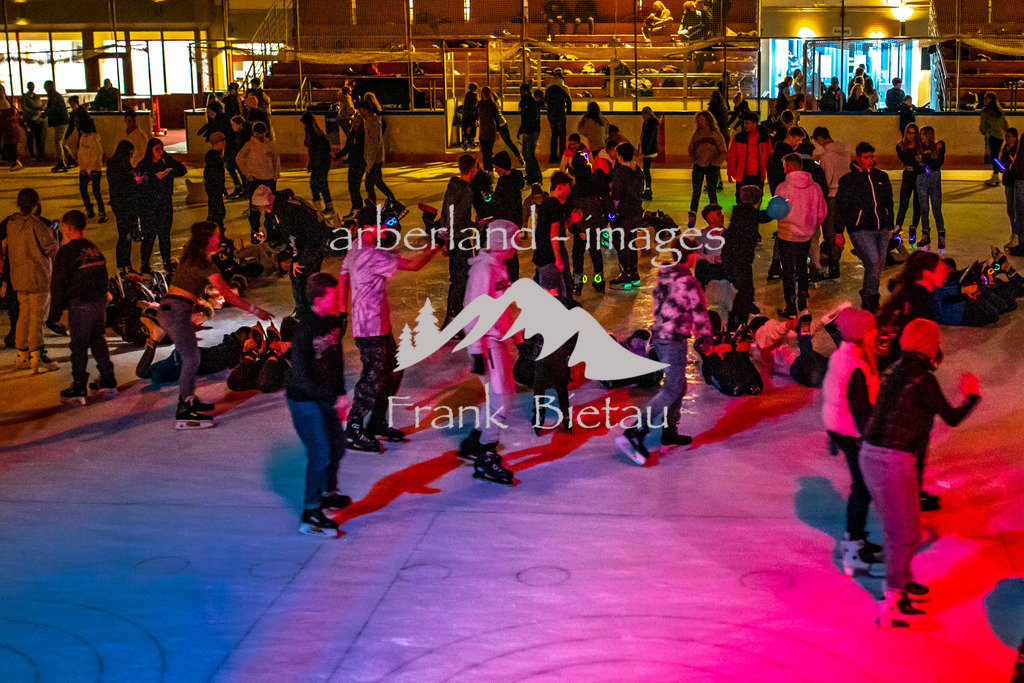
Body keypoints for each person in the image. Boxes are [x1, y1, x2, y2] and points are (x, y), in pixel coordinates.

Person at [861, 318, 980, 627]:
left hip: (876, 456)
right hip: (891, 460)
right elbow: (951, 418)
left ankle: (902, 582)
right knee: (904, 534)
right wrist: (972, 396)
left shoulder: (898, 369)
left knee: (906, 531)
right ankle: (892, 602)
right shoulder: (921, 378)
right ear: (930, 343)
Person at [339, 205, 442, 451]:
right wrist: (436, 246)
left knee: (393, 371)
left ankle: (375, 422)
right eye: (382, 223)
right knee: (373, 378)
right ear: (370, 226)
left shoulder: (355, 247)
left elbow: (343, 276)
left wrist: (344, 312)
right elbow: (414, 265)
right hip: (370, 328)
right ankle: (354, 427)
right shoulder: (372, 253)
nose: (386, 227)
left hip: (374, 325)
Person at [159, 222, 272, 429]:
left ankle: (188, 400)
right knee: (191, 359)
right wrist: (256, 311)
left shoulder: (194, 258)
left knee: (192, 357)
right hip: (176, 312)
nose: (220, 238)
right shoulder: (204, 264)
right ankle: (184, 410)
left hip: (173, 311)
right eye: (217, 235)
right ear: (208, 238)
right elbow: (228, 294)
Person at [616, 235, 712, 465]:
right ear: (690, 255)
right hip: (674, 339)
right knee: (671, 389)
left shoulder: (665, 276)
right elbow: (699, 312)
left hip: (660, 337)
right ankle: (635, 431)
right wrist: (707, 337)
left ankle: (669, 432)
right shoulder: (688, 282)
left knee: (678, 386)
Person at [287, 272, 351, 538]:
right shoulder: (304, 331)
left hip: (326, 396)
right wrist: (331, 397)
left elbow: (335, 361)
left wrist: (340, 392)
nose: (338, 301)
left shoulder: (332, 322)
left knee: (337, 447)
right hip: (304, 400)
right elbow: (301, 377)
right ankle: (310, 512)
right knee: (321, 453)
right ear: (319, 299)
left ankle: (328, 494)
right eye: (333, 297)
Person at [820, 307, 884, 576]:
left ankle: (856, 541)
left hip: (841, 430)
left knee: (863, 486)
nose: (876, 333)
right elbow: (860, 411)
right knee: (863, 487)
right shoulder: (855, 365)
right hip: (851, 433)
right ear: (862, 333)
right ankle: (853, 551)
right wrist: (873, 440)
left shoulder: (845, 354)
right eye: (872, 329)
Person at [457, 219, 518, 485]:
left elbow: (503, 309)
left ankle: (476, 441)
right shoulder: (484, 271)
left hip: (497, 340)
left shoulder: (498, 268)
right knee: (501, 397)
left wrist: (519, 337)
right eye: (514, 240)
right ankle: (486, 454)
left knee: (503, 393)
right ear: (502, 243)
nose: (517, 245)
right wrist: (476, 351)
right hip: (487, 342)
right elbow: (473, 310)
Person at [50, 210, 116, 403]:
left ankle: (79, 386)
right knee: (97, 339)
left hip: (81, 304)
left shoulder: (66, 252)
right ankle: (108, 379)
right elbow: (103, 275)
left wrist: (54, 313)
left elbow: (59, 283)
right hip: (99, 302)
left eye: (64, 228)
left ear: (70, 228)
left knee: (78, 345)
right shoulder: (93, 249)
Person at [250, 185, 332, 315]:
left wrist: (296, 259)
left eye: (259, 205)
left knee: (300, 272)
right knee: (300, 275)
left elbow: (294, 236)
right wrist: (266, 237)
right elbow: (278, 232)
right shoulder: (273, 211)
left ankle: (307, 310)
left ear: (266, 203)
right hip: (305, 240)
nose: (259, 209)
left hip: (314, 239)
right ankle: (306, 309)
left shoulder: (286, 209)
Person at [836, 142, 895, 313]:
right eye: (865, 157)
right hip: (860, 228)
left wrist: (890, 225)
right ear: (858, 158)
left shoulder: (881, 177)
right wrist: (839, 231)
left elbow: (888, 201)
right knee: (873, 260)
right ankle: (871, 296)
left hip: (881, 227)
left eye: (871, 157)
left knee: (880, 262)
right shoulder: (848, 180)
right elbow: (841, 207)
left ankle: (871, 294)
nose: (869, 160)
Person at [6, 188, 60, 373]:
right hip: (38, 278)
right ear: (36, 204)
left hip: (19, 278)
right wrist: (53, 232)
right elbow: (50, 249)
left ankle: (21, 356)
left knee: (24, 315)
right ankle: (36, 357)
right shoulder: (36, 225)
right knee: (37, 319)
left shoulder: (11, 224)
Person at [875, 251, 948, 371]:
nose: (944, 275)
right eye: (940, 270)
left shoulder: (911, 290)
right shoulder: (920, 300)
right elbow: (909, 334)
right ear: (927, 274)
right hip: (896, 361)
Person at [775, 153, 827, 317]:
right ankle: (803, 300)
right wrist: (812, 225)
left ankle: (790, 305)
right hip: (805, 234)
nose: (784, 171)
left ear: (789, 166)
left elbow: (776, 211)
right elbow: (822, 212)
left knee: (788, 270)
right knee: (802, 265)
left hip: (786, 234)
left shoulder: (782, 188)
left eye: (785, 167)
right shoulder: (815, 187)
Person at [135, 138, 187, 274]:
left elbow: (182, 170)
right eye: (157, 149)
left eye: (162, 148)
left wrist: (168, 160)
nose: (160, 151)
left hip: (164, 205)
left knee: (164, 235)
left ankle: (166, 261)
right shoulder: (144, 165)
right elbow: (138, 181)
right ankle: (145, 264)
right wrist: (153, 178)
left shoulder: (165, 163)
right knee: (149, 236)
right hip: (149, 207)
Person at [723, 185, 771, 328]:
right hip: (739, 256)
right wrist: (776, 211)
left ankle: (745, 305)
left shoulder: (740, 212)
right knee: (744, 287)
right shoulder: (749, 214)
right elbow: (763, 217)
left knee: (743, 285)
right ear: (759, 199)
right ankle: (737, 320)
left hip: (733, 255)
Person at [440, 154, 480, 326]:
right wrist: (475, 225)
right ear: (471, 170)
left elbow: (445, 215)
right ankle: (453, 319)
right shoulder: (466, 191)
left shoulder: (452, 187)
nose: (477, 170)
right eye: (476, 167)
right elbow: (459, 219)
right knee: (460, 279)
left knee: (455, 278)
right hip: (460, 240)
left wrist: (443, 238)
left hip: (451, 239)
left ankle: (452, 316)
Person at [533, 170, 582, 298]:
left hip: (544, 258)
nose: (568, 194)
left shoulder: (547, 205)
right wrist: (558, 259)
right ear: (560, 187)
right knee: (558, 295)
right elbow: (554, 234)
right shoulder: (555, 206)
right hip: (550, 259)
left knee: (563, 288)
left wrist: (571, 220)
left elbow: (556, 229)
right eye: (567, 190)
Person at [812, 127, 848, 280]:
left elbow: (826, 178)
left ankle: (834, 266)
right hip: (844, 195)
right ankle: (835, 262)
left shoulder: (828, 155)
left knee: (829, 232)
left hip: (831, 196)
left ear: (820, 138)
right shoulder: (844, 152)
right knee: (838, 231)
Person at [236, 121, 281, 243]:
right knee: (255, 209)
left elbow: (276, 160)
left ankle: (271, 233)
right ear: (254, 134)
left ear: (265, 133)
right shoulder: (249, 145)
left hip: (269, 180)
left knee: (270, 208)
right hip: (255, 181)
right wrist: (247, 173)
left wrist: (275, 176)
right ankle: (255, 233)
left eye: (262, 134)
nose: (260, 136)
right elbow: (239, 158)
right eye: (257, 134)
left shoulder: (270, 145)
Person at [567, 154, 606, 294]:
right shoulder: (595, 180)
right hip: (594, 223)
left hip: (580, 225)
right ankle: (599, 280)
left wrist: (575, 228)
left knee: (578, 252)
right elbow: (602, 201)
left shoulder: (573, 186)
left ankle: (578, 282)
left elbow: (570, 208)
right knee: (595, 251)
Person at [358, 100, 404, 216]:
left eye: (361, 110)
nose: (359, 112)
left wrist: (369, 163)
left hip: (375, 160)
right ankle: (392, 203)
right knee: (377, 183)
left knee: (370, 184)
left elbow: (373, 144)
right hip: (375, 159)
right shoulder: (369, 121)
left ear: (367, 110)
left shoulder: (372, 123)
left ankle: (374, 208)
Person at [609, 143, 645, 289]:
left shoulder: (620, 173)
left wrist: (613, 211)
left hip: (624, 213)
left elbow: (616, 196)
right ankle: (634, 273)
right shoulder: (638, 172)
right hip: (636, 211)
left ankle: (625, 274)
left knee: (620, 241)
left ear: (619, 156)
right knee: (631, 241)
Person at [489, 151, 526, 279]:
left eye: (497, 167)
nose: (495, 170)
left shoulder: (506, 183)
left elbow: (503, 204)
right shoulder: (509, 180)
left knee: (509, 253)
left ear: (503, 166)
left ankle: (511, 278)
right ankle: (511, 278)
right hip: (510, 223)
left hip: (508, 224)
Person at [106, 140, 139, 275]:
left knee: (125, 235)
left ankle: (124, 264)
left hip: (120, 203)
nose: (131, 157)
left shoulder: (114, 166)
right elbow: (127, 185)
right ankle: (124, 264)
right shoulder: (121, 168)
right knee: (125, 235)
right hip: (124, 204)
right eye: (130, 154)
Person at [687, 110, 727, 223]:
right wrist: (693, 159)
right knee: (696, 191)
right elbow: (691, 149)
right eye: (698, 120)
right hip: (698, 165)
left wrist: (717, 162)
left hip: (711, 166)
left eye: (702, 120)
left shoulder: (716, 134)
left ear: (708, 120)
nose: (700, 122)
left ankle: (715, 215)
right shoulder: (697, 135)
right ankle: (692, 215)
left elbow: (723, 151)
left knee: (712, 191)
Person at [915, 126, 946, 252]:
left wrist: (926, 160)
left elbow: (937, 163)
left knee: (936, 207)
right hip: (922, 179)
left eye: (923, 134)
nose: (921, 136)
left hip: (934, 178)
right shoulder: (918, 149)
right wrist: (926, 160)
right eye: (921, 134)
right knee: (924, 208)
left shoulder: (938, 147)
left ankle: (941, 234)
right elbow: (918, 165)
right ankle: (925, 233)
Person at [727, 112, 772, 196]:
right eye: (744, 123)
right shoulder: (739, 138)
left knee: (755, 197)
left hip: (757, 174)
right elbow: (732, 156)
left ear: (755, 124)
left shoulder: (764, 138)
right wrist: (730, 172)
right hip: (743, 174)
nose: (745, 125)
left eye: (748, 123)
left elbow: (768, 156)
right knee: (743, 197)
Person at [300, 112, 334, 214]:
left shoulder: (315, 135)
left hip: (321, 162)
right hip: (320, 162)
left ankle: (320, 206)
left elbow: (317, 151)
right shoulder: (315, 133)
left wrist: (314, 164)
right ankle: (322, 205)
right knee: (318, 184)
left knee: (318, 184)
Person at [894, 123, 922, 247]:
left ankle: (913, 228)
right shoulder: (901, 146)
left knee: (918, 204)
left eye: (913, 133)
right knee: (903, 204)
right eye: (909, 133)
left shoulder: (920, 147)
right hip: (907, 175)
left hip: (918, 176)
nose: (911, 136)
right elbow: (905, 160)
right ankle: (898, 229)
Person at [74, 117, 106, 223]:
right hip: (84, 169)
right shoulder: (83, 138)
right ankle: (89, 209)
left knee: (96, 191)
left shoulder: (94, 139)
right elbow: (81, 154)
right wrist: (82, 168)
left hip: (94, 169)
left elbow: (96, 155)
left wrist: (90, 169)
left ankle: (102, 212)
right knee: (83, 189)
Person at [339, 110, 365, 216]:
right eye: (353, 122)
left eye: (357, 122)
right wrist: (337, 155)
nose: (354, 124)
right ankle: (356, 208)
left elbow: (359, 152)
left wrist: (347, 160)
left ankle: (357, 208)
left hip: (359, 164)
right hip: (352, 164)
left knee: (355, 187)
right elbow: (347, 149)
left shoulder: (362, 136)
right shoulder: (351, 134)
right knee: (351, 187)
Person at [979, 92, 1009, 187]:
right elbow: (1005, 125)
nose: (984, 100)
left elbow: (983, 126)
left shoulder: (985, 112)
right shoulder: (999, 111)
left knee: (994, 156)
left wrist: (985, 132)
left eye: (986, 99)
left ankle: (996, 174)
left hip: (992, 135)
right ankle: (996, 174)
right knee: (996, 155)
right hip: (999, 135)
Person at [767, 124, 805, 195]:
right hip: (785, 189)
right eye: (797, 140)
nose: (797, 144)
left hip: (776, 188)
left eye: (799, 142)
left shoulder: (776, 149)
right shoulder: (788, 153)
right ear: (789, 137)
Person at [545, 70, 573, 164]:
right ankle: (562, 155)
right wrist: (568, 112)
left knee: (554, 135)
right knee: (562, 135)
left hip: (551, 114)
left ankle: (552, 156)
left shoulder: (548, 88)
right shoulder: (563, 87)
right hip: (560, 113)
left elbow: (545, 102)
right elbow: (568, 101)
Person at [1001, 128, 1022, 250]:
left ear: (1015, 137)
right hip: (1008, 181)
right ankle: (1014, 233)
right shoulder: (1005, 148)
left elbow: (1015, 165)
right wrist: (1001, 167)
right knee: (1010, 209)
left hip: (1015, 181)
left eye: (1009, 136)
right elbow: (1004, 162)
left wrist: (1009, 167)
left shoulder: (1017, 150)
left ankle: (1017, 235)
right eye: (1006, 136)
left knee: (1015, 209)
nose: (1006, 138)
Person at [517, 85, 543, 185]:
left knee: (530, 153)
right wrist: (521, 130)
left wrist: (526, 131)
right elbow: (524, 118)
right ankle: (530, 173)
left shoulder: (531, 103)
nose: (523, 93)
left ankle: (536, 175)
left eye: (525, 91)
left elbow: (531, 118)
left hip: (532, 131)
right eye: (522, 91)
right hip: (528, 130)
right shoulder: (525, 103)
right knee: (525, 152)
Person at [43, 81, 70, 172]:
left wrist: (45, 114)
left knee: (58, 141)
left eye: (45, 86)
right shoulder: (55, 95)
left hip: (60, 121)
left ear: (50, 86)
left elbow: (52, 107)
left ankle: (61, 162)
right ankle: (70, 158)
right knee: (60, 141)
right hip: (63, 120)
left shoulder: (52, 95)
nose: (44, 88)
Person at [204, 132, 227, 229]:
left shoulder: (214, 157)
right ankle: (216, 233)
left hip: (212, 187)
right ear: (219, 142)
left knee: (216, 210)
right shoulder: (215, 158)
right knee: (217, 212)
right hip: (215, 187)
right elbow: (217, 175)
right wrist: (222, 188)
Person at [20, 82, 45, 160]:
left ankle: (40, 154)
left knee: (38, 138)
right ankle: (32, 155)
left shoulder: (36, 97)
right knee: (30, 138)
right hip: (30, 120)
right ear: (28, 87)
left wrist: (40, 109)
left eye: (33, 86)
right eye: (30, 86)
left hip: (37, 119)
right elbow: (24, 108)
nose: (32, 88)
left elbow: (40, 106)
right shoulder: (25, 97)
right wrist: (34, 111)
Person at [639, 107, 660, 200]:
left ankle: (648, 189)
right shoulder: (647, 123)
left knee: (646, 170)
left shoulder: (651, 124)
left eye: (645, 114)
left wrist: (645, 151)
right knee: (646, 170)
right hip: (647, 149)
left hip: (649, 150)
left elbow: (650, 138)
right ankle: (647, 189)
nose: (643, 116)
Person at [461, 83, 479, 149]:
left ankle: (465, 141)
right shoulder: (475, 96)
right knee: (473, 127)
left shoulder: (467, 95)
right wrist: (477, 116)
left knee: (465, 128)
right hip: (472, 115)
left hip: (465, 115)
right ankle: (471, 141)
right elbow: (476, 107)